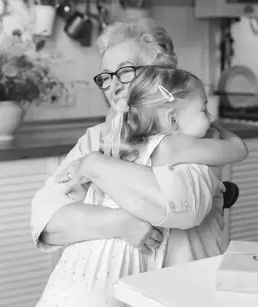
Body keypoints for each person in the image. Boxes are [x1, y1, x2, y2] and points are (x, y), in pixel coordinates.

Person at [34, 66, 247, 306]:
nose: (210, 118)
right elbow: (239, 149)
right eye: (204, 110)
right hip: (108, 288)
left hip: (74, 277)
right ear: (172, 119)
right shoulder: (172, 147)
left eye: (126, 72)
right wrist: (217, 132)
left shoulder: (114, 143)